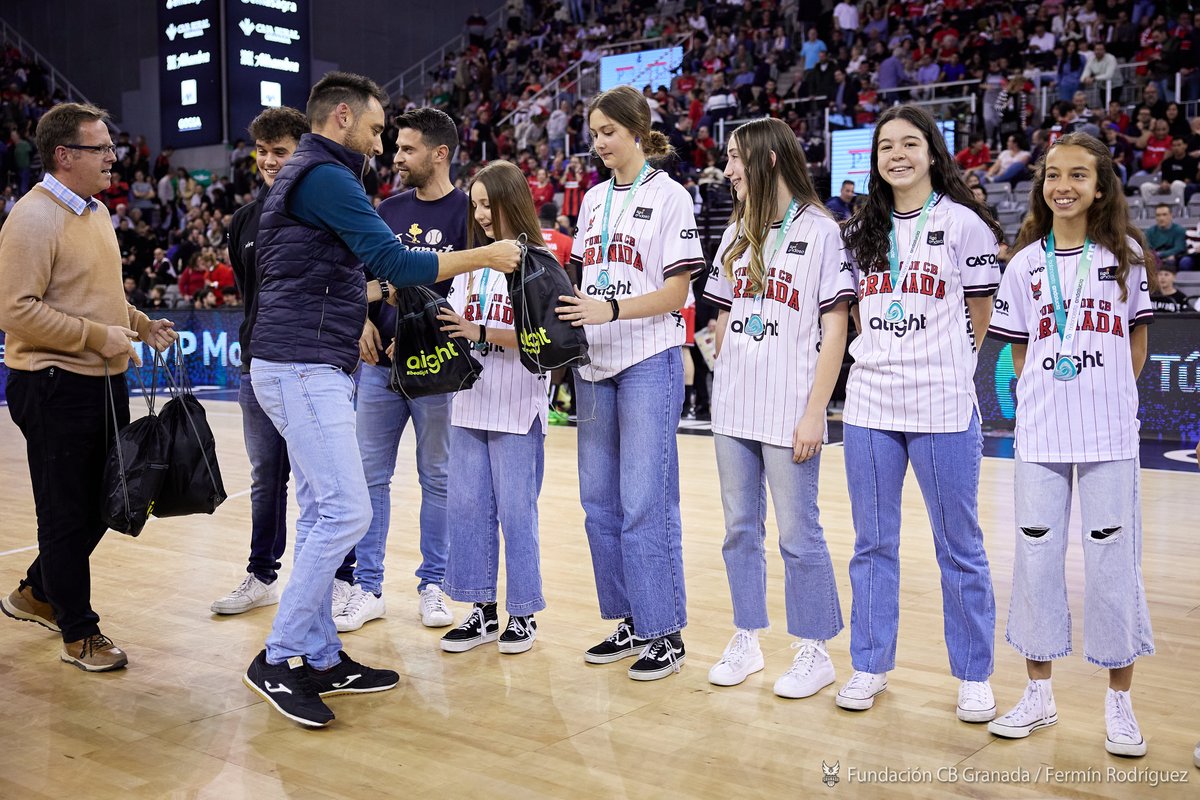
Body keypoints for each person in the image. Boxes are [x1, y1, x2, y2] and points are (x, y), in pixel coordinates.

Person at [242, 71, 519, 728]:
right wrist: (488, 255)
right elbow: (397, 265)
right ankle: (280, 657)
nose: (380, 140)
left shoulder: (317, 174)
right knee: (346, 511)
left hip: (301, 362)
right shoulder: (328, 175)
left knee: (321, 512)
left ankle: (317, 650)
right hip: (303, 365)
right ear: (342, 117)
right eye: (374, 128)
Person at [986, 132, 1156, 757]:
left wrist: (1110, 394)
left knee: (1114, 566)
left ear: (1101, 186)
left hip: (1109, 434)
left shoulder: (1127, 255)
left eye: (1078, 175)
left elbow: (1135, 344)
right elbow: (1020, 346)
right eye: (1053, 174)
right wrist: (1042, 390)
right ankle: (1038, 694)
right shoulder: (1025, 264)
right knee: (1034, 561)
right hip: (1042, 436)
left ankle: (1120, 704)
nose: (1063, 186)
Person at [837, 104, 1003, 720]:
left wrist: (949, 361)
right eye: (885, 148)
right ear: (875, 161)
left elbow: (981, 313)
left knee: (958, 545)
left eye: (910, 144)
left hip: (941, 405)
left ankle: (973, 674)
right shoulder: (858, 232)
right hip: (871, 404)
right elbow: (857, 312)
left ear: (932, 153)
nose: (897, 156)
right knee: (872, 542)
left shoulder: (965, 225)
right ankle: (870, 665)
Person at [0, 103, 177, 672]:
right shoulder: (30, 218)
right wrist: (97, 336)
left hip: (101, 379)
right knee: (64, 512)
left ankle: (37, 591)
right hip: (52, 385)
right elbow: (16, 310)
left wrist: (138, 323)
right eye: (100, 149)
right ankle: (79, 632)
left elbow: (92, 296)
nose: (112, 157)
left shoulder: (96, 212)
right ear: (64, 155)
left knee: (107, 501)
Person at [703, 118, 855, 697]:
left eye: (737, 157)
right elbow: (720, 313)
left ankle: (814, 649)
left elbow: (835, 327)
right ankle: (747, 637)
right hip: (734, 407)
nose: (729, 168)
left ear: (767, 159)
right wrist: (728, 365)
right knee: (739, 530)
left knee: (798, 532)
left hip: (791, 407)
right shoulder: (736, 229)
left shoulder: (821, 231)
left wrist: (817, 410)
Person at [557, 85, 704, 681]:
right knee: (599, 503)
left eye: (608, 133)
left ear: (637, 133)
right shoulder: (591, 201)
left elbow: (677, 293)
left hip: (648, 356)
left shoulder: (671, 197)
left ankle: (663, 628)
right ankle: (627, 619)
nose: (598, 143)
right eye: (593, 134)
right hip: (595, 362)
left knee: (646, 499)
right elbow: (580, 285)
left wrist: (611, 310)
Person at [210, 107, 359, 615]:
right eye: (262, 152)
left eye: (281, 151)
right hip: (260, 363)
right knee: (266, 475)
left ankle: (342, 579)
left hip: (314, 362)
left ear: (304, 151)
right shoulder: (243, 221)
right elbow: (252, 294)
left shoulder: (327, 200)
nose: (270, 161)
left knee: (328, 482)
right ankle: (261, 575)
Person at [338, 106, 469, 634]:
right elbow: (357, 277)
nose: (396, 157)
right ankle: (367, 587)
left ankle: (433, 585)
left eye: (408, 149)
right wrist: (362, 323)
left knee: (437, 478)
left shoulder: (469, 213)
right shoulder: (386, 209)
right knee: (370, 478)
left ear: (439, 154)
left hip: (436, 368)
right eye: (395, 147)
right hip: (377, 367)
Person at [433, 160, 550, 655]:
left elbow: (546, 339)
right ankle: (480, 609)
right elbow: (455, 324)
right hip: (468, 402)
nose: (481, 213)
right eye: (476, 204)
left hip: (518, 405)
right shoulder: (471, 262)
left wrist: (478, 332)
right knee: (468, 510)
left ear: (512, 201)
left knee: (515, 514)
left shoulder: (541, 261)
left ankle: (522, 613)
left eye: (488, 203)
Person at [1143, 204, 1188, 271]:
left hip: (1173, 259)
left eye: (1164, 214)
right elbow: (1147, 249)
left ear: (1171, 215)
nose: (1161, 218)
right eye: (1158, 215)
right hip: (1154, 259)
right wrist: (1158, 256)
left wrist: (1160, 254)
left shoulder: (1179, 230)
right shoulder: (1149, 232)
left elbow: (1179, 248)